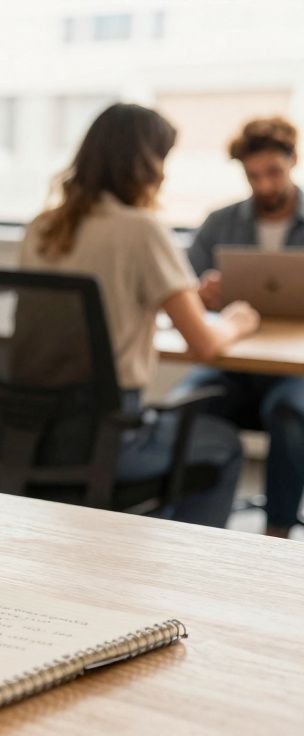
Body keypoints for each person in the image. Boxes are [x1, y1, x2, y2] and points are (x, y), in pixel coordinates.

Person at [18, 102, 261, 528]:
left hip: (26, 434)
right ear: (145, 163)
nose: (165, 173)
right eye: (162, 159)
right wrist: (239, 320)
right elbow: (203, 343)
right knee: (223, 445)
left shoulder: (42, 227)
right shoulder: (141, 230)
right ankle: (184, 571)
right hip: (106, 439)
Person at [181, 117, 304, 537]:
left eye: (274, 172)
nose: (265, 185)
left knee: (291, 412)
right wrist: (202, 293)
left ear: (293, 161)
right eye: (254, 176)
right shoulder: (220, 222)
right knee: (186, 402)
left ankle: (278, 530)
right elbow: (181, 290)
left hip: (295, 371)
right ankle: (188, 525)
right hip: (232, 360)